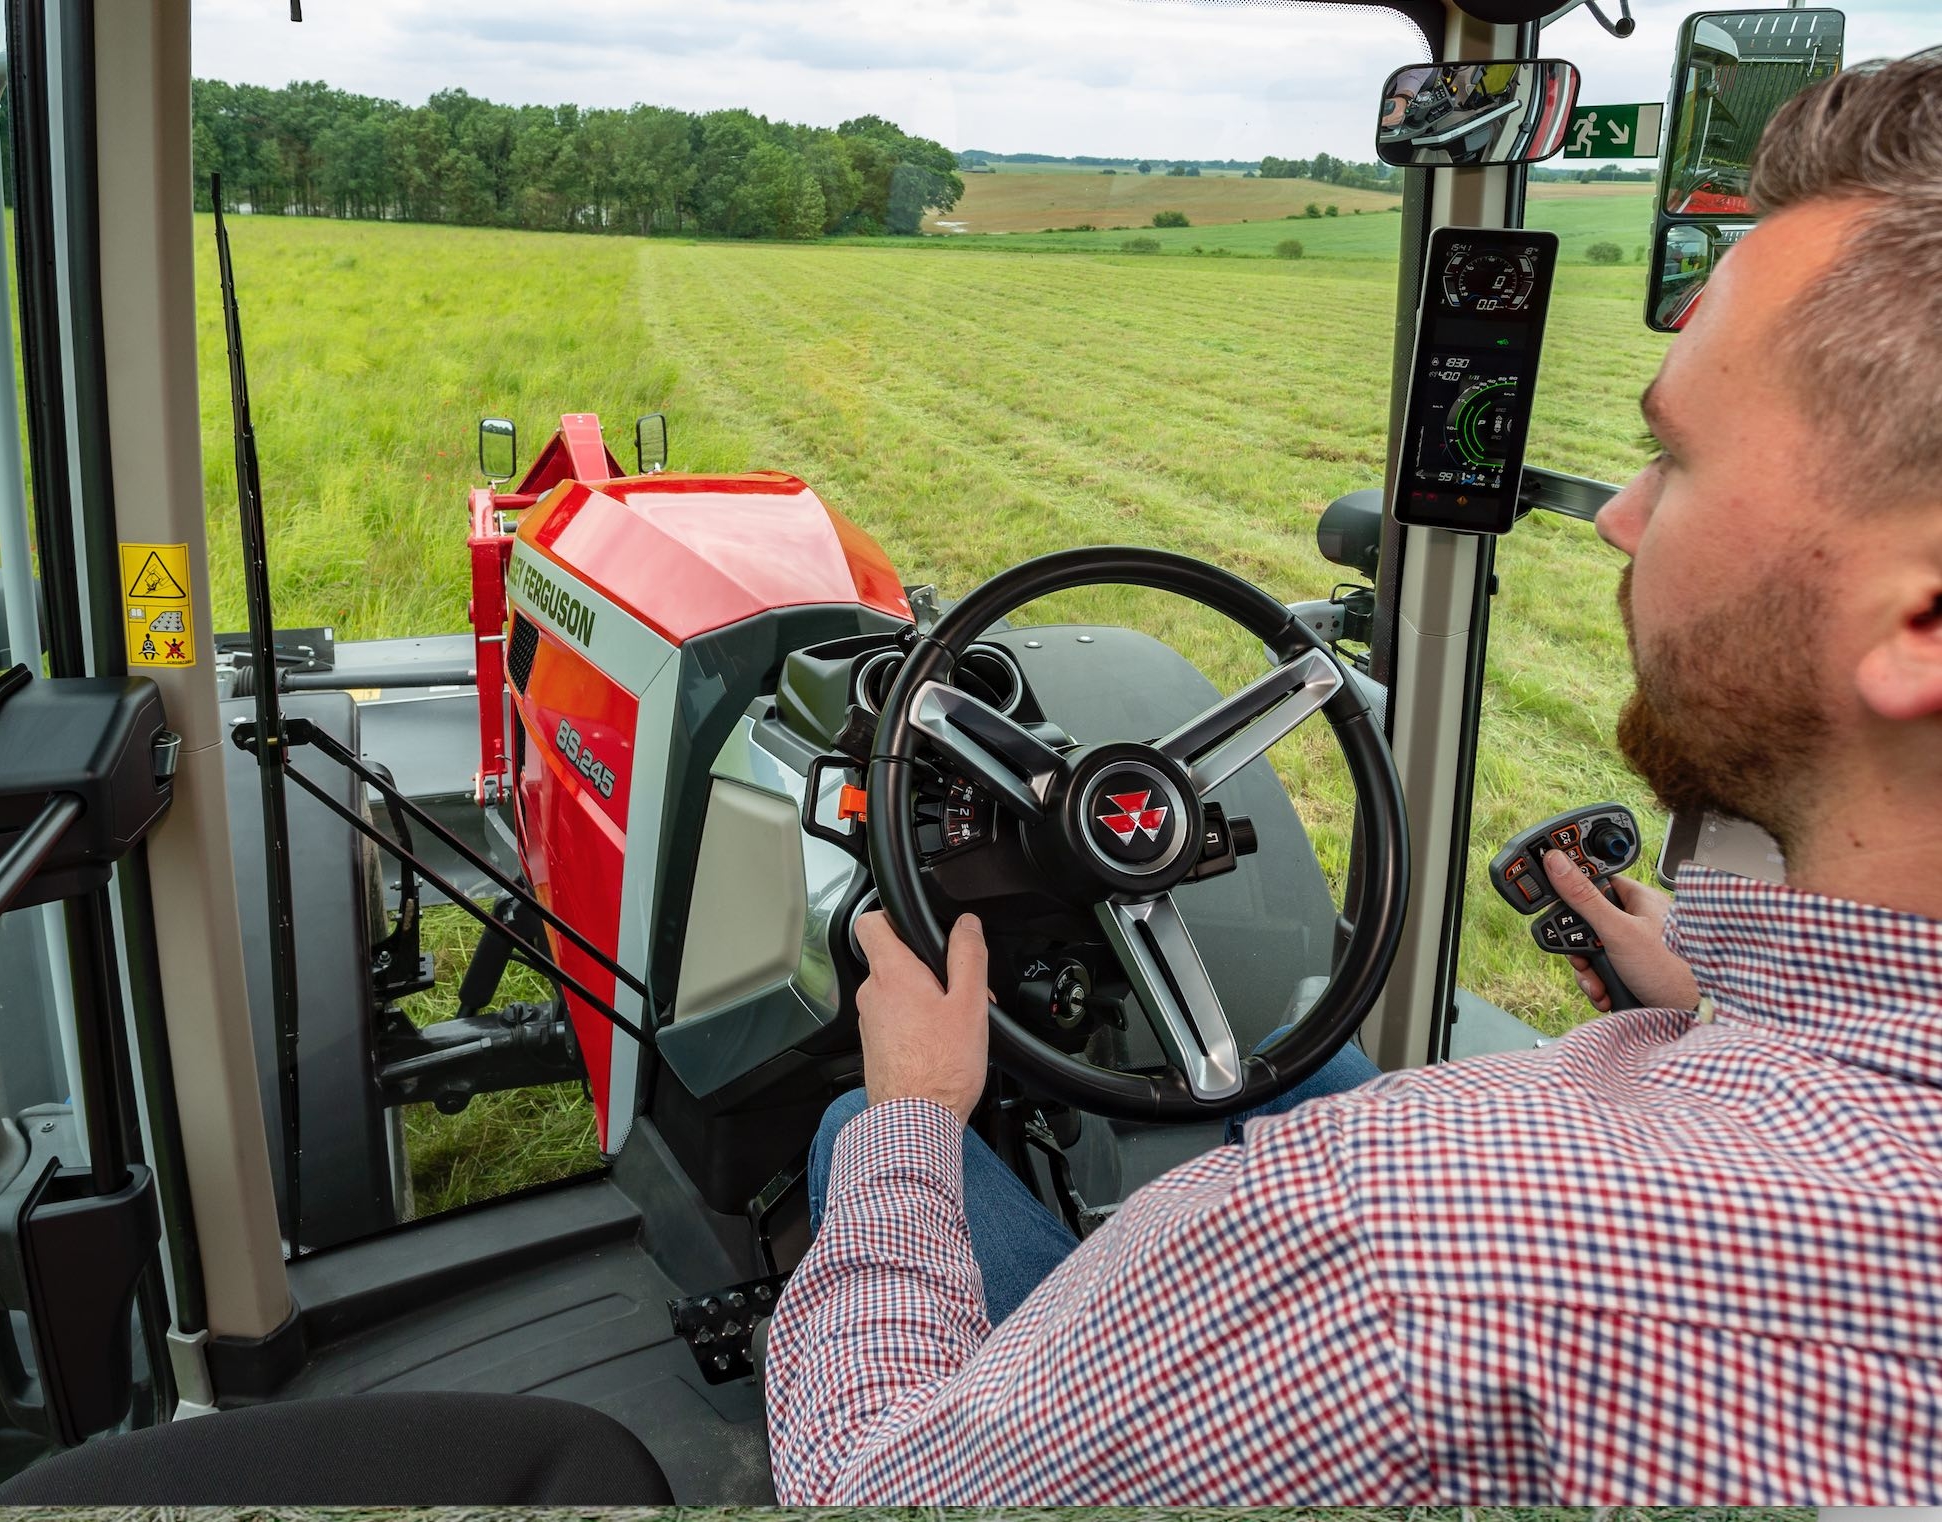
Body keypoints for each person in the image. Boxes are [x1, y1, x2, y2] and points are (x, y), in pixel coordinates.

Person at [765, 51, 1942, 1506]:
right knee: (1290, 1057)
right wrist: (1701, 1003)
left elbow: (871, 1486)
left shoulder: (1389, 1251)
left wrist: (913, 1110)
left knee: (853, 1125)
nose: (1621, 520)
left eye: (1674, 460)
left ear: (1922, 619)